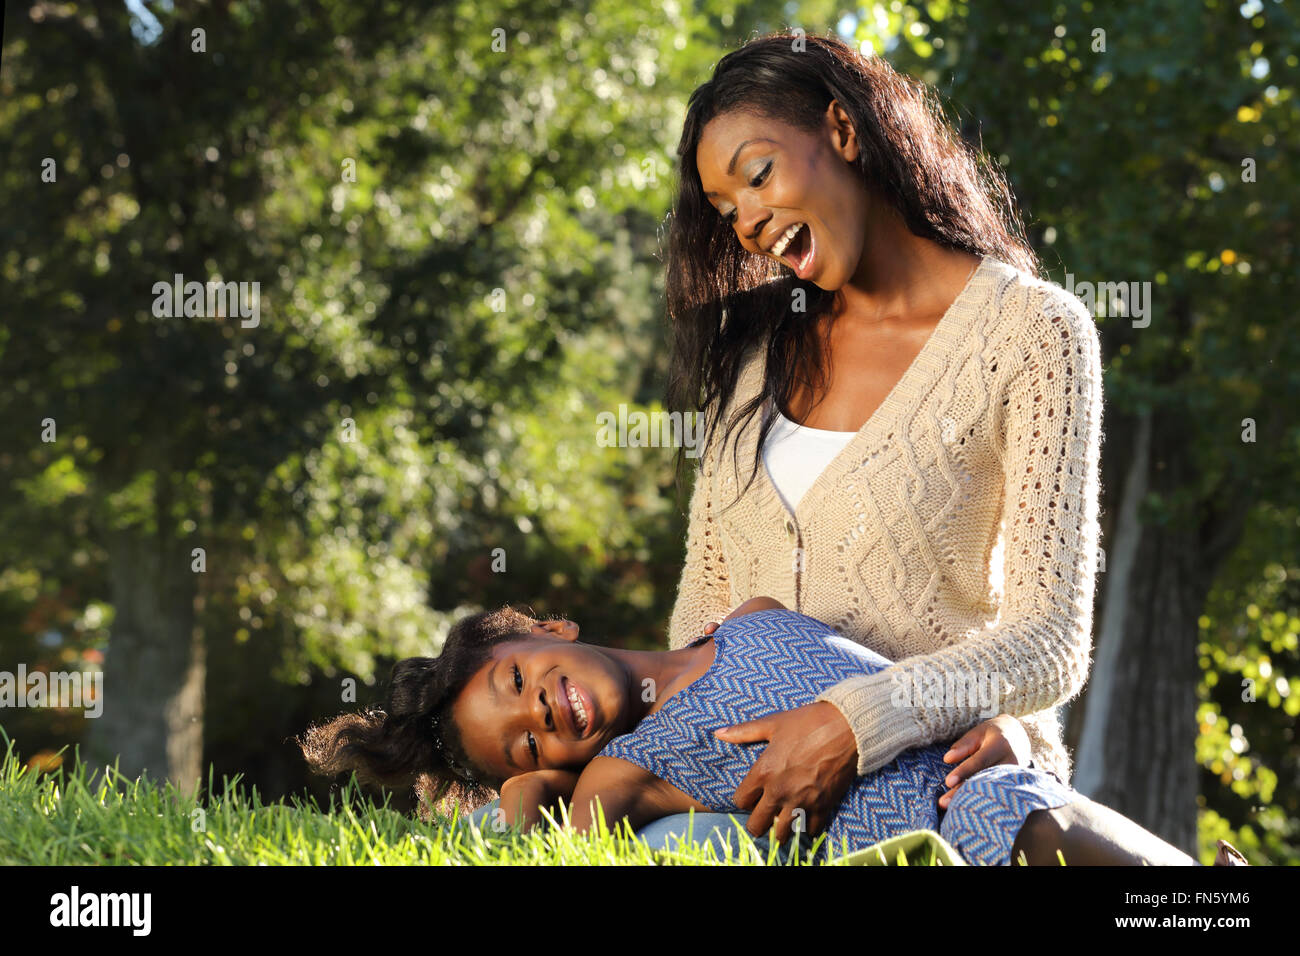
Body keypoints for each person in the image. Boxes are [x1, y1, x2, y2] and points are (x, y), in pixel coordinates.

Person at [659, 30, 1103, 845]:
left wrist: (854, 721)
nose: (749, 222)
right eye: (727, 212)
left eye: (758, 175)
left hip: (931, 792)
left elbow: (1048, 642)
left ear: (843, 130)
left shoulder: (1032, 334)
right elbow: (701, 621)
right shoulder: (754, 355)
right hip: (743, 802)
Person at [298, 601, 1233, 866]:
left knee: (1027, 803)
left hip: (966, 773)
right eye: (525, 741)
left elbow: (894, 676)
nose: (540, 718)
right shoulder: (618, 773)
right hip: (917, 842)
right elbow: (555, 843)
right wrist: (526, 788)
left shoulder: (747, 614)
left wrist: (1007, 726)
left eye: (517, 682)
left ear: (548, 629)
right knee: (1004, 819)